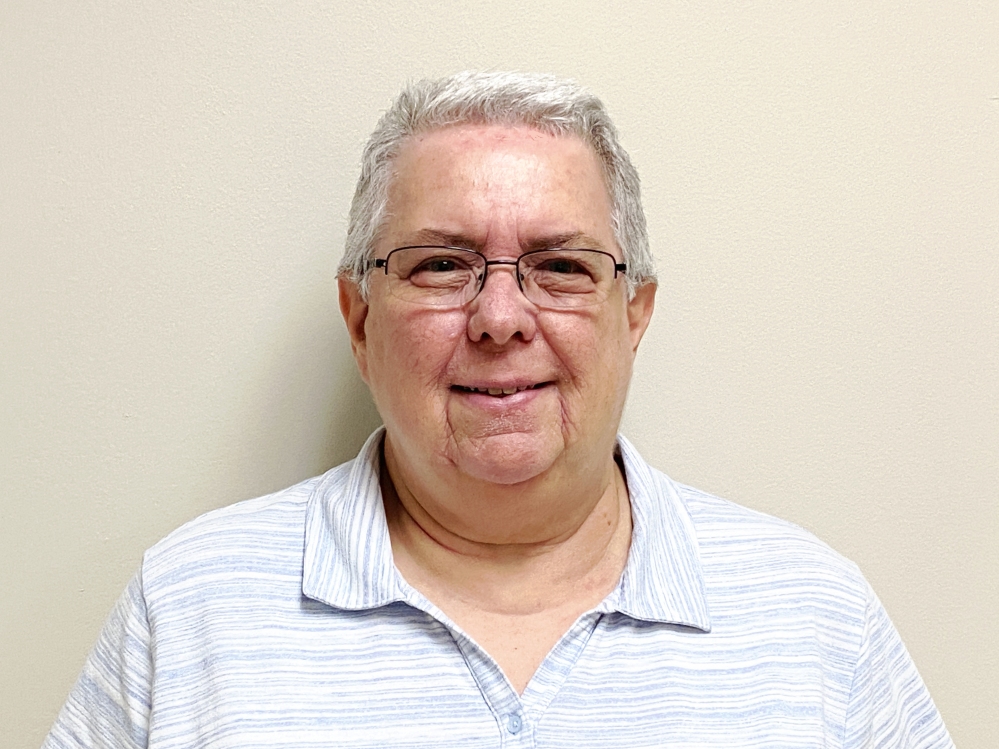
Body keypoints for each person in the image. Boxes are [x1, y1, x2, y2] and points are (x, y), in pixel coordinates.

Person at [43, 71, 953, 748]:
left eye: (560, 266)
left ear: (632, 314)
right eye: (442, 264)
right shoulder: (192, 606)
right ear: (359, 319)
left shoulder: (812, 618)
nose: (501, 318)